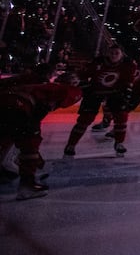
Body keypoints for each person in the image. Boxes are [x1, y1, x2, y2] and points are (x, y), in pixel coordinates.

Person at [1, 67, 82, 200]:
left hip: (7, 102)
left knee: (8, 137)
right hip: (17, 107)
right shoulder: (64, 90)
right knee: (30, 143)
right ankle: (27, 186)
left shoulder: (32, 81)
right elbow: (41, 109)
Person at [64, 43, 137, 158]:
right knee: (84, 119)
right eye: (111, 53)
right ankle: (71, 145)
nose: (113, 55)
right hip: (95, 92)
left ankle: (119, 143)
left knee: (121, 117)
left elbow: (129, 79)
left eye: (116, 53)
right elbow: (83, 74)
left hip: (115, 94)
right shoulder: (98, 62)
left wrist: (127, 92)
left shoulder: (128, 64)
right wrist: (84, 85)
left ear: (122, 54)